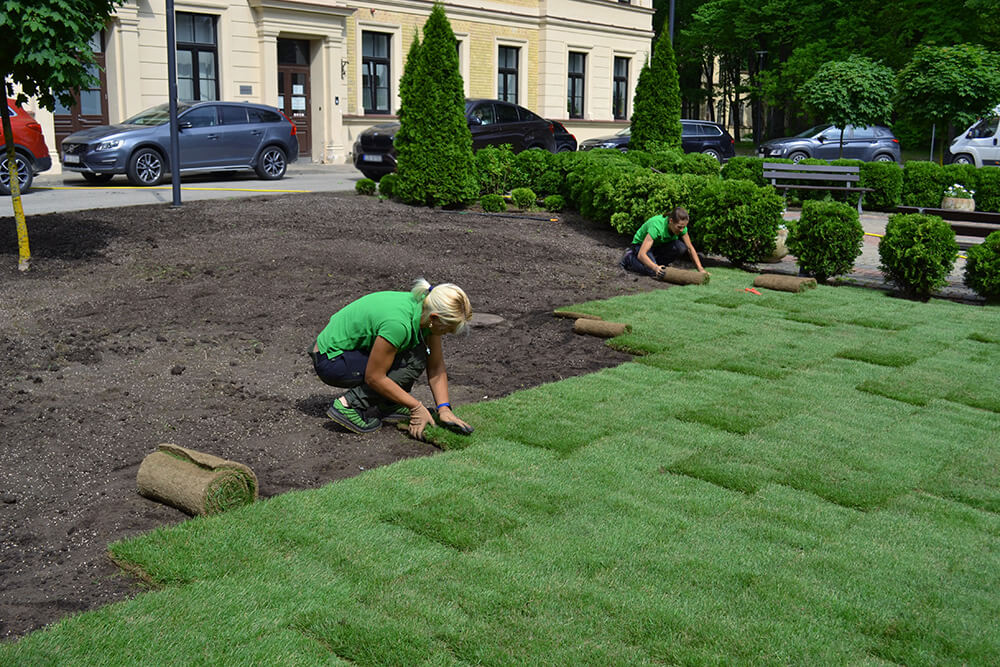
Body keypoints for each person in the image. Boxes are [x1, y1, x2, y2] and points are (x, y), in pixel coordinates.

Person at [310, 279, 474, 440]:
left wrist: (444, 408)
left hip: (351, 351)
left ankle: (389, 404)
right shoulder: (398, 325)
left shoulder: (426, 309)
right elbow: (375, 377)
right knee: (413, 361)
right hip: (331, 360)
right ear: (434, 318)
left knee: (418, 352)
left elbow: (436, 365)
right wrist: (416, 407)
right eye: (447, 329)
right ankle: (348, 404)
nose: (447, 333)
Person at [619, 206, 708, 278]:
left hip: (658, 245)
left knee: (680, 247)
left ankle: (657, 263)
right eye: (679, 227)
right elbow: (641, 254)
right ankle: (629, 258)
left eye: (684, 227)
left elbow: (690, 248)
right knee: (652, 271)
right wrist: (655, 268)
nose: (682, 230)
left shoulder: (681, 227)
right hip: (640, 245)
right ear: (671, 221)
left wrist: (700, 269)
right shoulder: (656, 226)